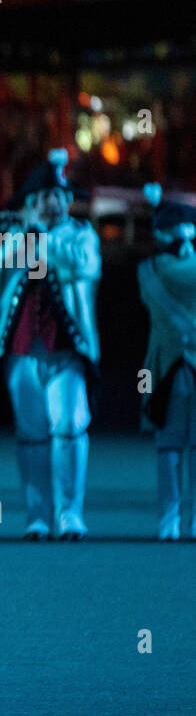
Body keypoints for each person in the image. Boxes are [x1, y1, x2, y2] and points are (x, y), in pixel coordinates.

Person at [0, 149, 100, 540]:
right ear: (30, 202)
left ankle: (69, 514)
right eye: (47, 196)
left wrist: (38, 241)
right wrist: (11, 241)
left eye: (61, 196)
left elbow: (84, 266)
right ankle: (37, 515)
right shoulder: (11, 238)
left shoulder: (81, 235)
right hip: (22, 351)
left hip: (66, 350)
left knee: (70, 425)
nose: (56, 203)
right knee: (31, 434)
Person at [138, 195, 196, 540]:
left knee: (171, 445)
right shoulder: (150, 270)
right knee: (169, 445)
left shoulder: (149, 269)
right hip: (164, 369)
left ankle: (174, 518)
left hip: (166, 366)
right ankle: (171, 517)